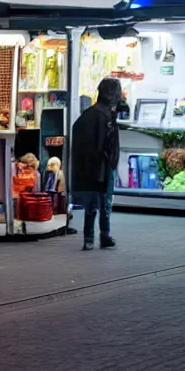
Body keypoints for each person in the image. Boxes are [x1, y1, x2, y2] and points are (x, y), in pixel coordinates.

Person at [71, 78, 122, 251]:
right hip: (103, 165)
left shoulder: (88, 114)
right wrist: (111, 162)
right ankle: (104, 235)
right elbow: (110, 145)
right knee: (105, 201)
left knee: (91, 203)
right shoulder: (108, 115)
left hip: (87, 165)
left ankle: (89, 238)